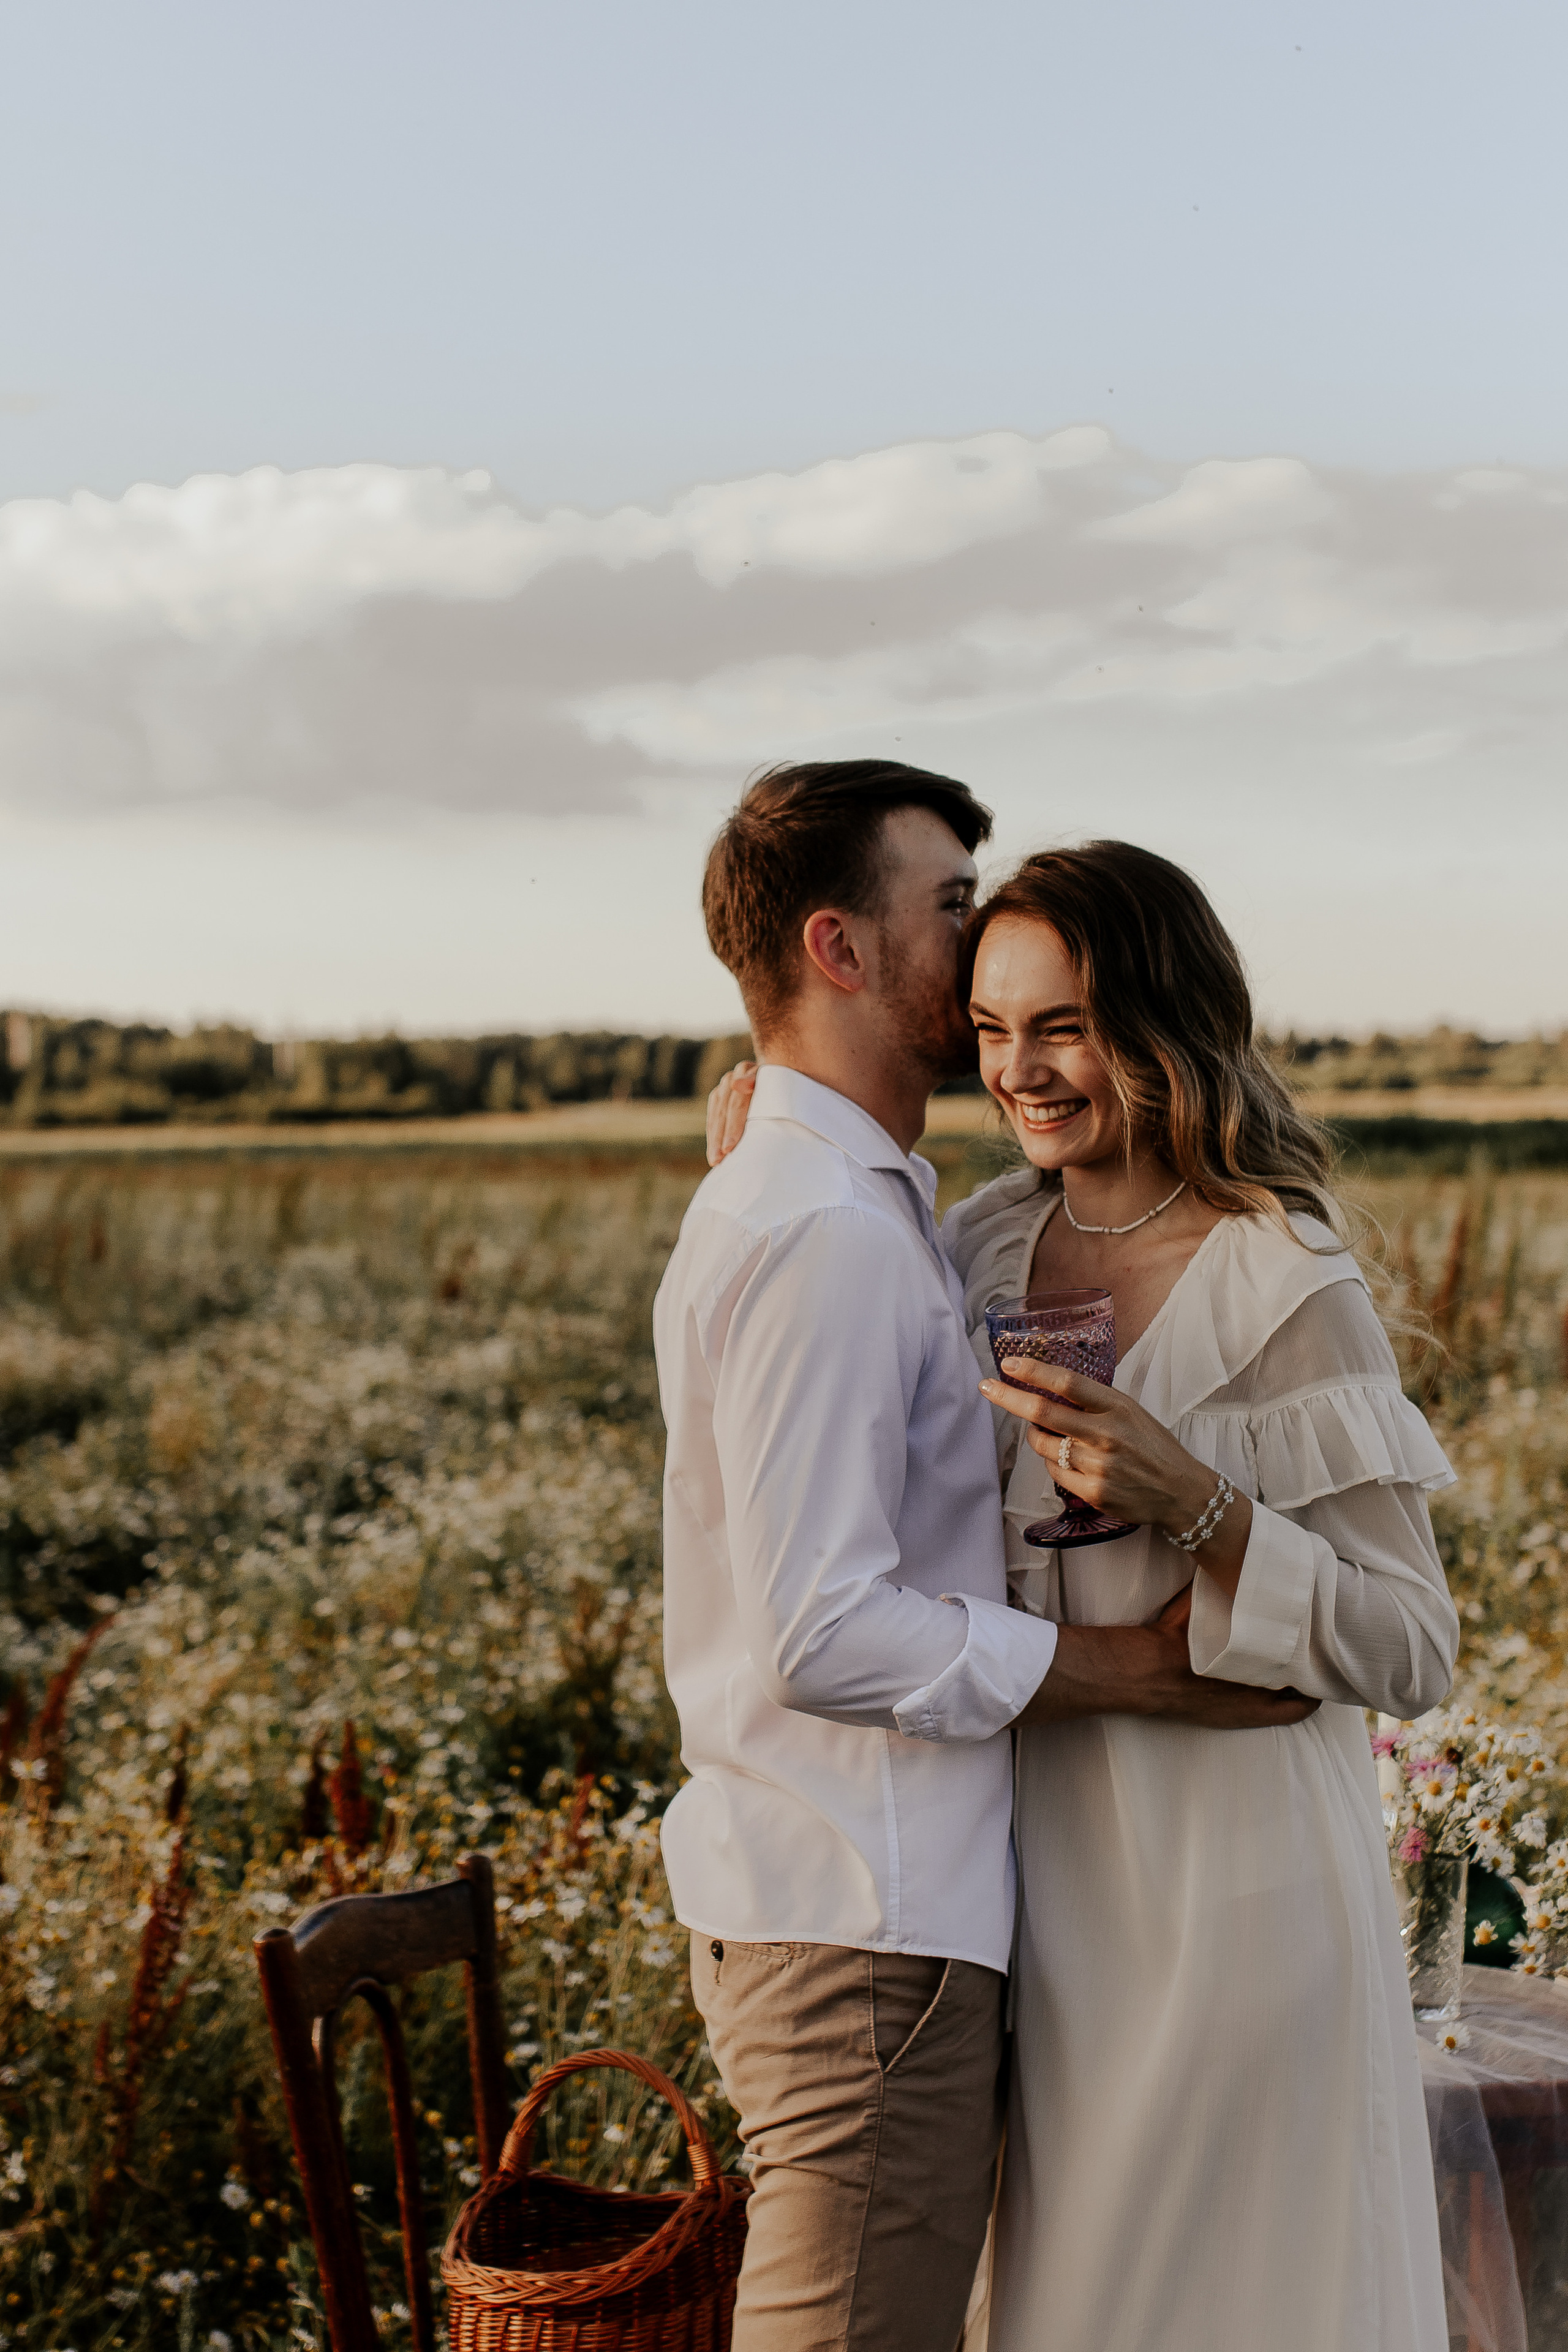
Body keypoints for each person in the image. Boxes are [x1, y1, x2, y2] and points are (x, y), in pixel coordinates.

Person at [709, 834, 1459, 2352]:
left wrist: (1198, 1503)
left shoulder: (1281, 1277)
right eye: (989, 1029)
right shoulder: (972, 1246)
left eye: (1061, 1026)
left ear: (1160, 1022)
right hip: (1039, 1894)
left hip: (1234, 1886)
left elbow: (1411, 1643)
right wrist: (749, 1142)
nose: (1019, 1071)